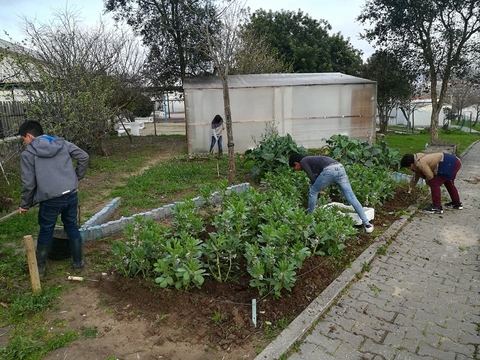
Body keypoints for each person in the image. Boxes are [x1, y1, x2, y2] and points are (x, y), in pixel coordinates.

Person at [18, 120, 89, 276]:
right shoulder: (61, 143)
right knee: (71, 226)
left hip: (50, 200)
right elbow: (83, 157)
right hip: (71, 194)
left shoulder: (28, 154)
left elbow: (28, 183)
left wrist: (25, 204)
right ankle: (78, 263)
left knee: (46, 229)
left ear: (29, 136)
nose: (25, 144)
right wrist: (76, 178)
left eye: (24, 140)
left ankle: (40, 269)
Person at [289, 153, 374, 233]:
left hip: (330, 170)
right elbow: (319, 178)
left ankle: (309, 219)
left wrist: (319, 189)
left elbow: (312, 178)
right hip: (340, 168)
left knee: (313, 191)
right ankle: (367, 224)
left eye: (294, 167)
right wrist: (320, 188)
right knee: (351, 197)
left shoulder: (304, 161)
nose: (296, 170)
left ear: (296, 163)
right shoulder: (312, 160)